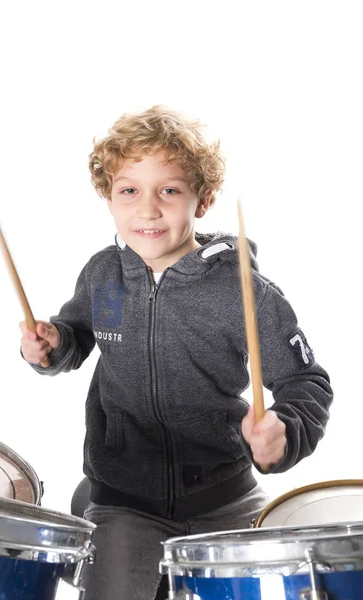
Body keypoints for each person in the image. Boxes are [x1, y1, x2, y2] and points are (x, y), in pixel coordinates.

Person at [19, 105, 333, 600]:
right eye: (129, 191)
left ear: (202, 199)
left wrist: (285, 429)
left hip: (225, 498)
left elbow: (306, 382)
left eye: (169, 190)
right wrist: (53, 344)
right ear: (108, 197)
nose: (147, 209)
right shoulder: (104, 275)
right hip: (124, 500)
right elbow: (77, 334)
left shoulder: (245, 291)